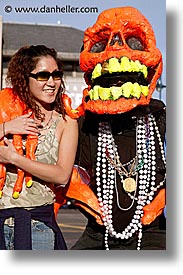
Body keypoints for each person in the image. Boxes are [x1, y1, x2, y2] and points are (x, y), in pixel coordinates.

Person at [61, 7, 166, 250]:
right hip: (98, 235)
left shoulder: (163, 120)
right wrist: (82, 195)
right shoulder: (84, 124)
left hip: (152, 233)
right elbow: (60, 172)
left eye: (134, 41)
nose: (115, 48)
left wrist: (160, 201)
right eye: (100, 43)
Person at [0, 45, 78, 250]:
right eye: (43, 76)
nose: (51, 83)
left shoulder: (66, 123)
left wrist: (14, 158)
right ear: (24, 78)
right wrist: (6, 127)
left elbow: (62, 175)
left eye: (56, 75)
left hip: (37, 229)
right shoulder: (5, 112)